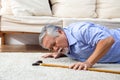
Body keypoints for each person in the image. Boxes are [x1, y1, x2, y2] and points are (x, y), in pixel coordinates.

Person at [39, 22, 120, 70]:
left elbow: (108, 40)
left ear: (60, 32)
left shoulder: (80, 31)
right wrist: (60, 52)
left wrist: (88, 62)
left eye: (54, 44)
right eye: (51, 48)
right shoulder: (64, 44)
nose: (55, 49)